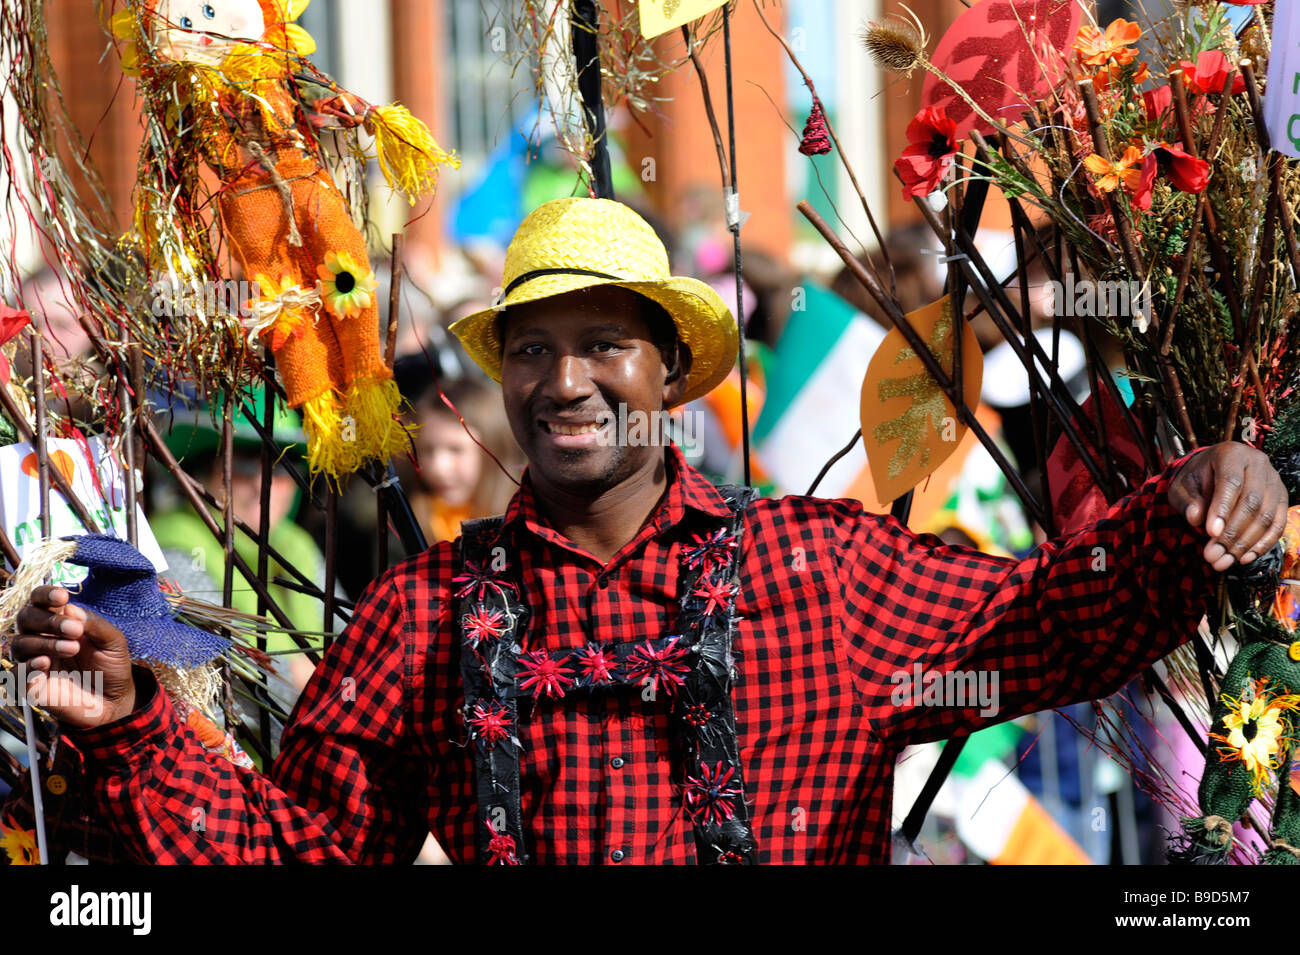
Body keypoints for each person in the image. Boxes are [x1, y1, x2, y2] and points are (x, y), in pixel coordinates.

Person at [10, 198, 1290, 864]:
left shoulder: (820, 572)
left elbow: (1051, 623)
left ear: (670, 373)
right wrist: (130, 725)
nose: (565, 382)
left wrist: (1198, 506)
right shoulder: (424, 614)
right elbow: (300, 854)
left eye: (603, 344)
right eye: (532, 350)